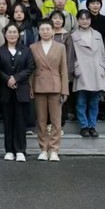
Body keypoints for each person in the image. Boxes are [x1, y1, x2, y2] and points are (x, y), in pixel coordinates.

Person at [30, 19, 69, 161]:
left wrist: (65, 90)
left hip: (55, 85)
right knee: (41, 121)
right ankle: (43, 148)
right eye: (42, 29)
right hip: (39, 85)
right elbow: (31, 70)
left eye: (48, 29)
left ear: (53, 31)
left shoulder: (60, 47)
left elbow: (63, 69)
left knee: (56, 121)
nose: (45, 32)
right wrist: (30, 87)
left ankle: (54, 149)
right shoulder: (33, 47)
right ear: (38, 31)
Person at [0, 24, 35, 162]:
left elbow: (30, 67)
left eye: (14, 32)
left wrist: (16, 78)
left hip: (21, 90)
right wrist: (7, 79)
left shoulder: (26, 50)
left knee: (20, 121)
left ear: (19, 34)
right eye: (9, 32)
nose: (12, 35)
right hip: (6, 90)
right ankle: (9, 150)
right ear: (5, 34)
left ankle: (20, 150)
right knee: (8, 121)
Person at [68, 10, 105, 139]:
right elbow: (70, 56)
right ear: (78, 20)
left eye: (87, 18)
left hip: (96, 70)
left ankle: (92, 126)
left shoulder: (97, 34)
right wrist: (74, 69)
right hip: (82, 71)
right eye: (82, 18)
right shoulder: (73, 36)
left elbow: (102, 53)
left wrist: (104, 69)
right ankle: (84, 126)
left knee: (94, 101)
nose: (85, 21)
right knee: (81, 101)